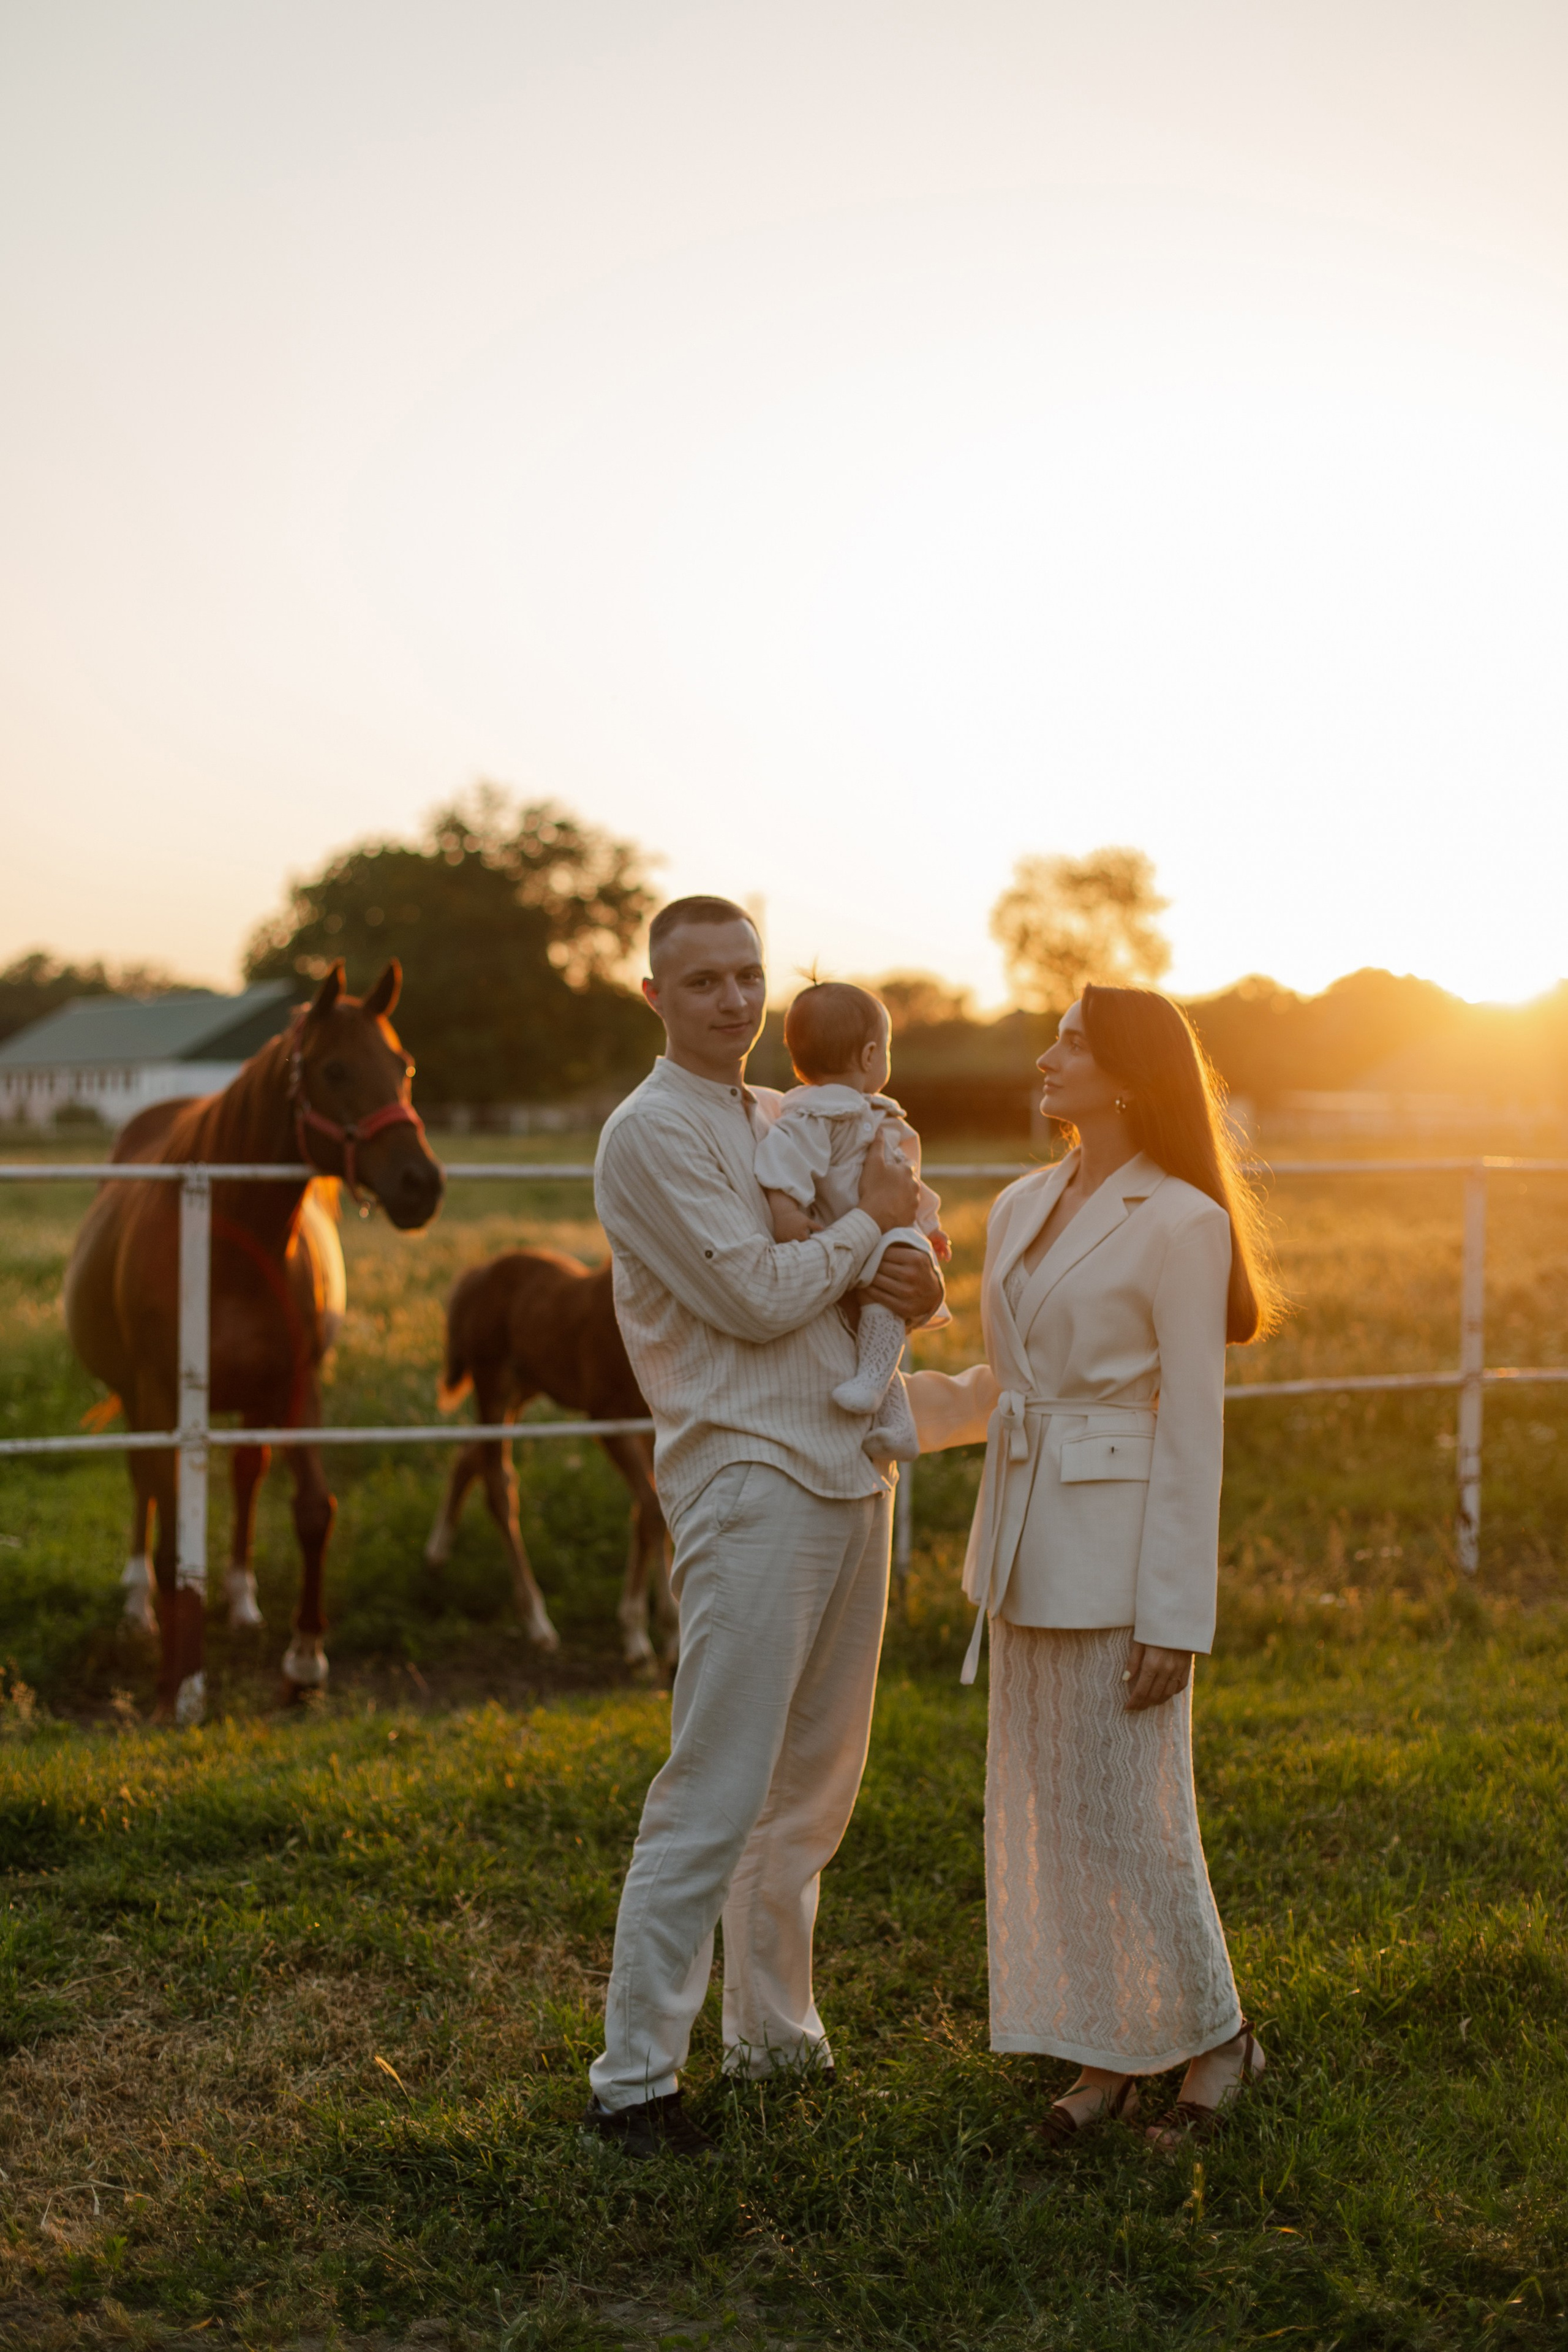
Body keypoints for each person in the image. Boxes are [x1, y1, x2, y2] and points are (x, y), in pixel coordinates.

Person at [582, 896, 946, 2160]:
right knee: (716, 1786)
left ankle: (775, 2044)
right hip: (746, 1476)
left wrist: (913, 1268)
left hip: (851, 1471)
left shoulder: (781, 1116)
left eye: (747, 977)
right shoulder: (648, 1135)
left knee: (810, 1793)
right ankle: (631, 2081)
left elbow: (893, 1246)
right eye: (701, 983)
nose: (733, 1001)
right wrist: (861, 1236)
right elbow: (749, 1297)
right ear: (654, 996)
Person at [907, 985, 1281, 2150]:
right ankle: (1110, 2047)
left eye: (1072, 1041)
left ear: (1127, 1074)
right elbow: (1006, 1390)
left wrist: (1177, 1614)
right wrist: (876, 1414)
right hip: (1021, 1551)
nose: (1045, 1055)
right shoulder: (1021, 1203)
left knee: (1135, 1814)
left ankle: (1219, 2038)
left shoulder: (1182, 1221)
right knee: (1058, 1816)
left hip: (1121, 1567)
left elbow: (1193, 1429)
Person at [755, 980, 951, 1464]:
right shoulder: (816, 1115)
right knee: (879, 1309)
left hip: (884, 1236)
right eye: (885, 1049)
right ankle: (879, 1395)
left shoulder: (878, 1115)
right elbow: (785, 1163)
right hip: (850, 1236)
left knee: (885, 1305)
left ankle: (896, 1422)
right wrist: (786, 1211)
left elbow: (908, 1182)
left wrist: (929, 1226)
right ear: (869, 1056)